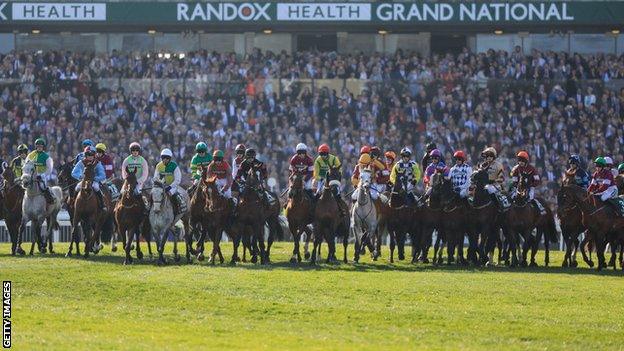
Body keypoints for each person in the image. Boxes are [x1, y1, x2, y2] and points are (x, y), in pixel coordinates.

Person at [71, 146, 107, 211]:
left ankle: (102, 204)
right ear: (85, 155)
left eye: (92, 155)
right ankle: (73, 202)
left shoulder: (97, 163)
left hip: (94, 181)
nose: (90, 157)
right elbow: (73, 172)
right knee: (77, 187)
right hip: (84, 180)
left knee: (96, 187)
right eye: (88, 155)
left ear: (94, 155)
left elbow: (103, 175)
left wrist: (95, 178)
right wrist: (80, 176)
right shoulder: (81, 162)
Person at [153, 148, 186, 216]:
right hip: (161, 186)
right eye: (163, 158)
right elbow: (156, 177)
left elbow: (178, 179)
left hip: (172, 186)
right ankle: (149, 207)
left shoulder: (174, 166)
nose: (165, 160)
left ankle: (180, 207)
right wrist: (158, 184)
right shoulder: (158, 166)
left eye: (167, 158)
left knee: (171, 193)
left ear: (170, 159)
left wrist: (170, 186)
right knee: (154, 193)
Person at [26, 138, 55, 204]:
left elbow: (49, 168)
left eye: (41, 146)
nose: (39, 148)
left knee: (42, 186)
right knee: (25, 185)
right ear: (35, 146)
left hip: (42, 176)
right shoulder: (30, 155)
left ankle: (50, 200)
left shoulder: (47, 157)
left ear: (43, 147)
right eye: (38, 146)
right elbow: (26, 165)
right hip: (31, 176)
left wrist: (43, 175)